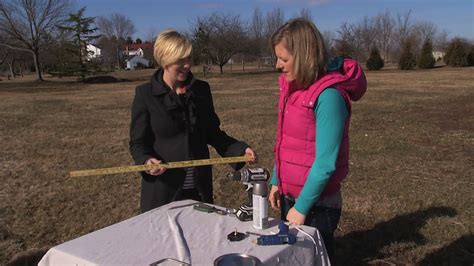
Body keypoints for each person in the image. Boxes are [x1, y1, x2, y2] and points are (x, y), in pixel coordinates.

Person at [268, 18, 367, 262]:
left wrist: (302, 208)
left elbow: (325, 163)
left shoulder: (329, 96)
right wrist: (275, 179)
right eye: (277, 57)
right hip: (291, 196)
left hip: (318, 204)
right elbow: (286, 141)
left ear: (304, 55)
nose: (277, 65)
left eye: (284, 59)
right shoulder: (293, 89)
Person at [129, 29, 256, 213]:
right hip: (163, 192)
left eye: (189, 58)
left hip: (198, 190)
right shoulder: (145, 95)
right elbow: (138, 143)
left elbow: (213, 132)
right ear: (165, 59)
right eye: (181, 60)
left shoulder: (201, 90)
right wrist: (147, 161)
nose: (188, 65)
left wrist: (239, 149)